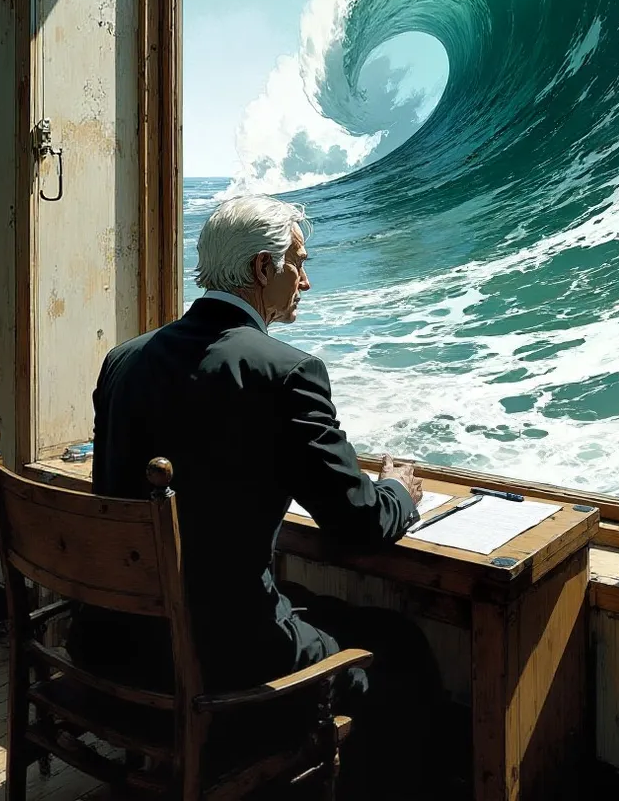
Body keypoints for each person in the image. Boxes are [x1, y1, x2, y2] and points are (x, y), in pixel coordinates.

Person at [68, 195, 443, 794]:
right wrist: (398, 490)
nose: (308, 280)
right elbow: (358, 523)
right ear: (264, 270)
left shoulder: (124, 361)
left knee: (317, 606)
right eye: (299, 262)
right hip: (215, 664)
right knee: (400, 651)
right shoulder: (286, 373)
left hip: (114, 644)